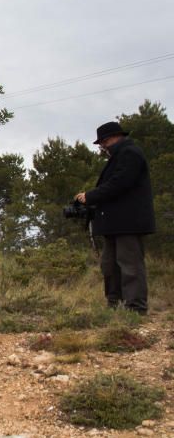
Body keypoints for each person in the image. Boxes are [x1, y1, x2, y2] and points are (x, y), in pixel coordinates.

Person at [76, 121, 155, 314]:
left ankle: (135, 308)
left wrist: (91, 196)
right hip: (113, 223)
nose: (102, 146)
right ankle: (114, 306)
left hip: (129, 222)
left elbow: (120, 183)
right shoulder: (120, 156)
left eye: (103, 142)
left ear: (112, 138)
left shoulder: (130, 153)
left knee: (130, 265)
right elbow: (114, 185)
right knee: (109, 266)